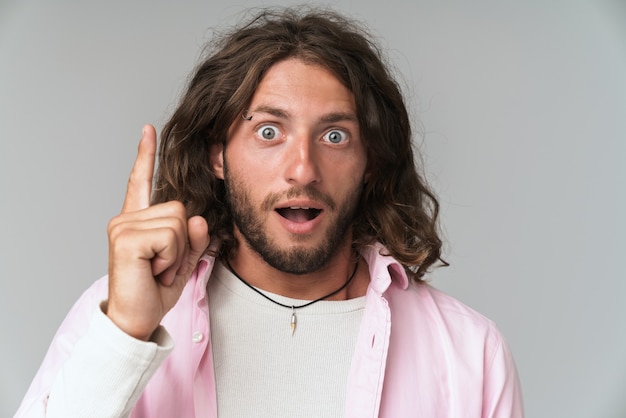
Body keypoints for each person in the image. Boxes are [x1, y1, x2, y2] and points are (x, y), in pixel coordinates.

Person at [16, 6, 523, 418]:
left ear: (372, 161)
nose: (302, 169)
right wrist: (126, 333)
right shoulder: (115, 314)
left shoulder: (469, 353)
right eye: (268, 132)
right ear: (218, 154)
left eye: (334, 136)